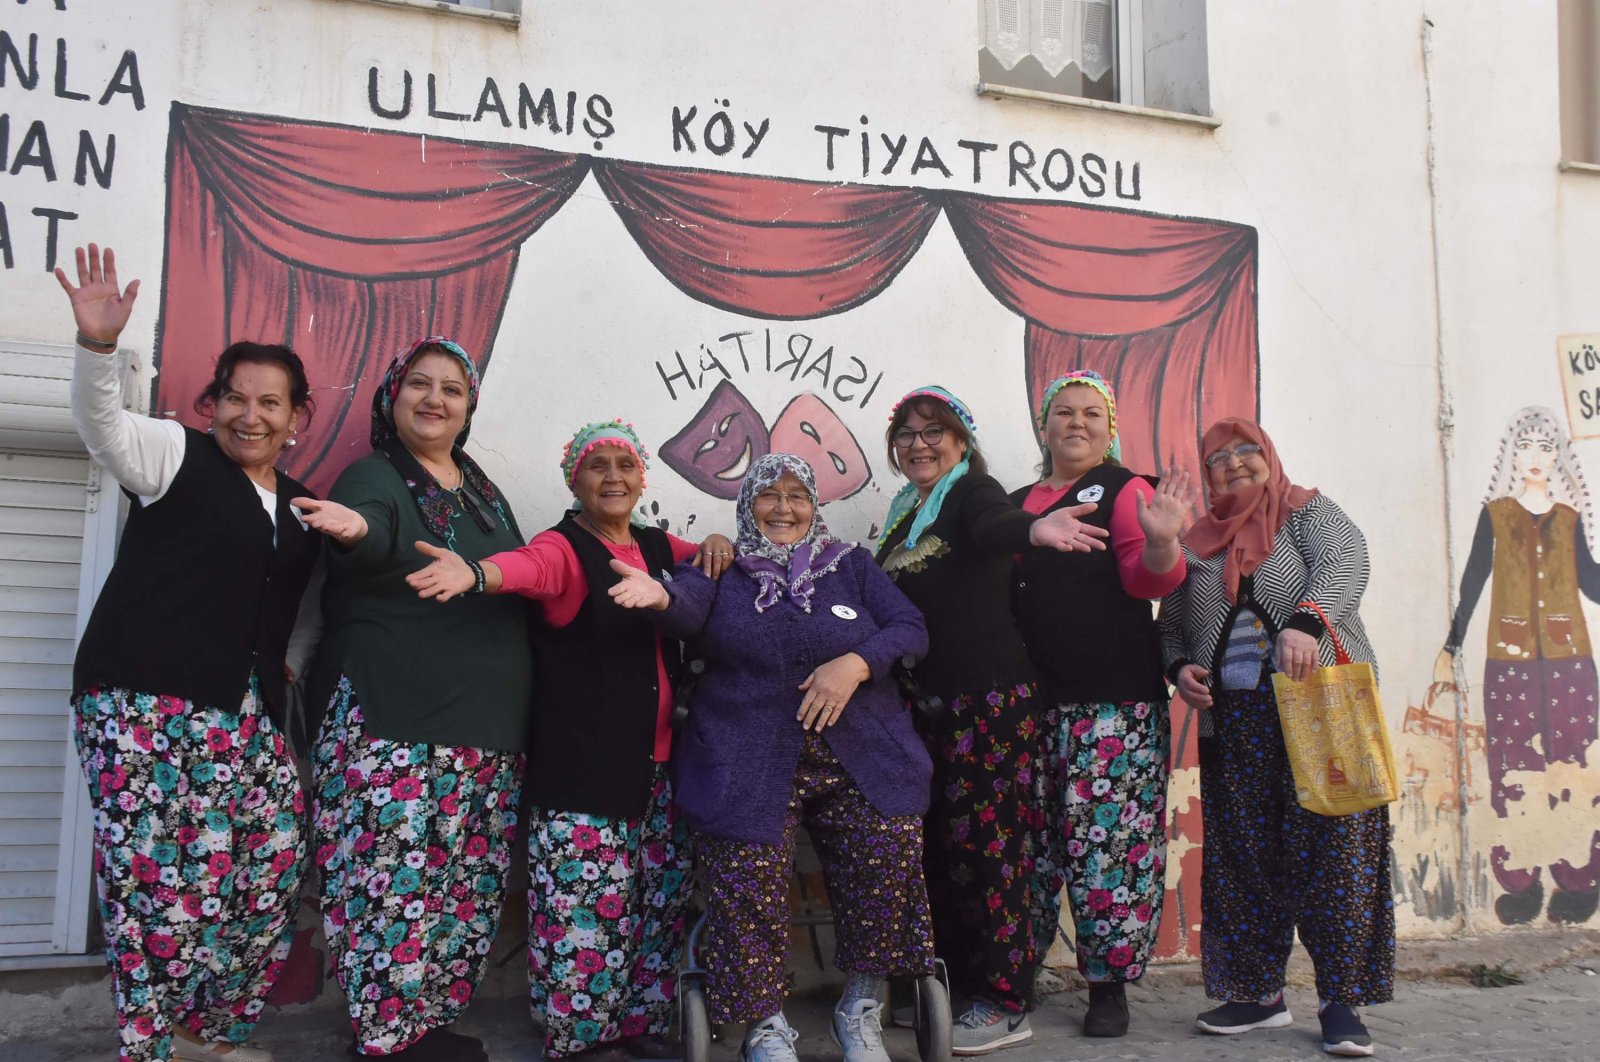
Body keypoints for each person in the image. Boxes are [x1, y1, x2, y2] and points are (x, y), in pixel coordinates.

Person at [58, 244, 325, 1062]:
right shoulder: (175, 454)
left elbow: (294, 608)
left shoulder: (304, 507)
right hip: (142, 699)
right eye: (234, 399)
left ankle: (207, 1038)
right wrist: (99, 347)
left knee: (268, 876)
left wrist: (280, 661)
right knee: (159, 892)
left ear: (297, 418)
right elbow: (102, 427)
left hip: (240, 713)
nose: (251, 416)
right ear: (210, 404)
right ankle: (154, 1047)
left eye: (270, 403)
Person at [405, 420, 732, 1059]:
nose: (612, 476)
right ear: (573, 480)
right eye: (596, 465)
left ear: (642, 478)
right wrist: (475, 574)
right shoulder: (563, 547)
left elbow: (713, 558)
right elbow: (523, 569)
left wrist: (719, 539)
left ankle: (640, 1024)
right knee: (585, 912)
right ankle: (581, 1039)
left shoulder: (655, 545)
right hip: (585, 768)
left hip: (661, 767)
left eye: (624, 464)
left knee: (656, 900)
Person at [605, 453, 934, 1062]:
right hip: (748, 755)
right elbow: (684, 610)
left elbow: (909, 626)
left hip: (862, 751)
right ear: (747, 504)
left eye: (797, 496)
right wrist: (657, 596)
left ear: (815, 506)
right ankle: (764, 1023)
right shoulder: (721, 566)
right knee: (746, 869)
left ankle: (861, 1005)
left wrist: (856, 663)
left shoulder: (852, 567)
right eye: (768, 496)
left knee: (888, 847)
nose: (784, 508)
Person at [296, 337, 531, 1062]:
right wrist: (357, 529)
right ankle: (389, 1036)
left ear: (469, 406)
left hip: (484, 728)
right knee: (392, 882)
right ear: (392, 400)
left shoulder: (482, 489)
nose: (435, 399)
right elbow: (370, 529)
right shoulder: (373, 475)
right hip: (391, 719)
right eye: (419, 386)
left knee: (462, 884)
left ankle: (429, 1022)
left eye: (452, 389)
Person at [872, 386, 1107, 1056]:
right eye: (906, 434)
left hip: (990, 704)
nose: (919, 444)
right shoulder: (904, 512)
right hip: (931, 710)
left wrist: (1035, 529)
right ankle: (952, 990)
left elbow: (995, 524)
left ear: (961, 440)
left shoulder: (972, 493)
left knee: (991, 852)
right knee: (942, 853)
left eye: (933, 431)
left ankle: (1004, 1000)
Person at [1158, 417, 1393, 1058]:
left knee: (1335, 853)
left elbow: (1350, 559)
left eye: (1246, 451)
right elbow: (1171, 627)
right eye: (1218, 458)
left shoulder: (1306, 511)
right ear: (1206, 474)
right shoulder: (1198, 545)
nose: (1234, 464)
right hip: (1235, 726)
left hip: (1319, 713)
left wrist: (1306, 622)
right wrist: (1179, 670)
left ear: (1269, 457)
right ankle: (1257, 996)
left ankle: (1341, 1002)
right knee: (1242, 860)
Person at [1009, 371, 1192, 1038]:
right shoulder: (1015, 503)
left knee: (1109, 848)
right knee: (1028, 845)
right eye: (1064, 413)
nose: (1076, 423)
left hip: (1112, 705)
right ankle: (1014, 969)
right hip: (1028, 703)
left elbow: (1147, 575)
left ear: (1109, 429)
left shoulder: (1124, 490)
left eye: (1091, 413)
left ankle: (1107, 986)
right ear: (1045, 425)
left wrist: (1166, 541)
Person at [1433, 406, 1600, 923]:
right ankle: (1521, 882)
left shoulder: (1569, 521)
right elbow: (1473, 578)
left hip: (1571, 661)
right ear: (1512, 454)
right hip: (1508, 663)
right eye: (1526, 446)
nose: (1536, 457)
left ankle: (1577, 879)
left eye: (1547, 447)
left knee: (1574, 767)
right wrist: (1453, 642)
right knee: (1514, 768)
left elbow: (1590, 582)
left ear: (1559, 457)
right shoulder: (1496, 515)